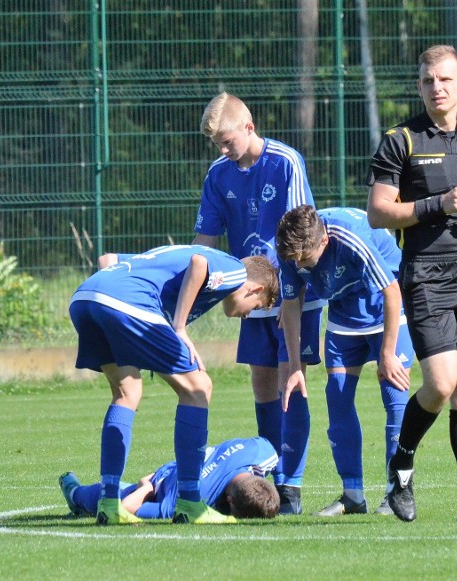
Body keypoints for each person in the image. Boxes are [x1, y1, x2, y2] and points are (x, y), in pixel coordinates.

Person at [366, 45, 457, 522]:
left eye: (446, 79)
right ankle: (401, 462)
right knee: (442, 384)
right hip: (426, 272)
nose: (437, 88)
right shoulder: (400, 140)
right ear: (420, 86)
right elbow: (378, 212)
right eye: (428, 80)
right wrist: (437, 205)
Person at [69, 244, 279, 525]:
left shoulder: (167, 258)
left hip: (86, 298)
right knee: (198, 387)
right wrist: (179, 327)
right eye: (254, 308)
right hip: (127, 300)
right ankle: (190, 502)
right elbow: (199, 263)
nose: (246, 315)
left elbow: (107, 260)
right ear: (256, 290)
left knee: (127, 391)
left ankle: (108, 502)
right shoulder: (236, 271)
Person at [192, 92, 324, 515]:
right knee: (263, 385)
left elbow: (303, 228)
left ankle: (292, 486)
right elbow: (205, 242)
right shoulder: (218, 174)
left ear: (249, 126)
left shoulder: (285, 162)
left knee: (291, 382)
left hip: (290, 294)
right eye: (218, 145)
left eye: (227, 141)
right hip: (250, 298)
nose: (224, 150)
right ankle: (270, 470)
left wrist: (290, 288)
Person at [276, 205, 414, 516]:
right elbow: (291, 303)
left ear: (323, 241)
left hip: (385, 308)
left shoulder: (350, 237)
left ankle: (396, 492)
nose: (299, 265)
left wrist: (387, 354)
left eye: (304, 259)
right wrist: (295, 367)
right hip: (343, 315)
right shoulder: (289, 247)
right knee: (336, 397)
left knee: (394, 396)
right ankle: (352, 495)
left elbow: (392, 292)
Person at [59, 436, 280, 520]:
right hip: (156, 487)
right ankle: (74, 493)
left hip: (171, 473)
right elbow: (123, 509)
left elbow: (272, 450)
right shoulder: (189, 501)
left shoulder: (260, 451)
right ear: (229, 502)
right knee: (98, 496)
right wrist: (146, 488)